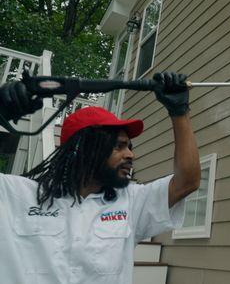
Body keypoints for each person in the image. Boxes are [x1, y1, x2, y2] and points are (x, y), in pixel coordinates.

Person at [0, 72, 200, 284]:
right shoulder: (15, 194)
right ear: (84, 150)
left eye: (129, 147)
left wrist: (179, 112)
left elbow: (187, 182)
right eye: (119, 146)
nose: (131, 155)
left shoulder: (131, 202)